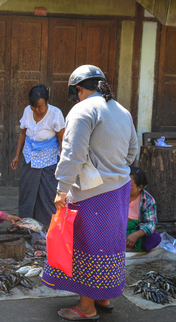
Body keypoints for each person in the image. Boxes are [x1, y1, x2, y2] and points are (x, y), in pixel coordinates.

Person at [41, 65, 138, 321]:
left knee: (87, 246)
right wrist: (113, 168)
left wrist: (61, 189)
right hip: (119, 189)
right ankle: (102, 297)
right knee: (109, 244)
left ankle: (87, 308)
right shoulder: (122, 110)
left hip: (91, 193)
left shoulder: (82, 110)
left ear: (79, 89)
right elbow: (132, 152)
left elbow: (72, 154)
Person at [10, 84, 65, 229]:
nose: (37, 110)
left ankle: (48, 227)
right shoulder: (28, 111)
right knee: (27, 191)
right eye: (34, 107)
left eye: (40, 107)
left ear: (47, 102)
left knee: (47, 193)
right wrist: (17, 155)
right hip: (30, 156)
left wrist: (63, 161)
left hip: (50, 158)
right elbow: (22, 133)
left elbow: (62, 139)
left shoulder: (55, 113)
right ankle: (25, 224)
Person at [127, 167, 161, 252]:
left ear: (140, 187)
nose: (125, 187)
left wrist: (136, 235)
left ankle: (129, 249)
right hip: (119, 231)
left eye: (130, 185)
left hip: (135, 232)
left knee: (155, 238)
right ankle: (127, 248)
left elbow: (151, 223)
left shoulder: (148, 199)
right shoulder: (117, 196)